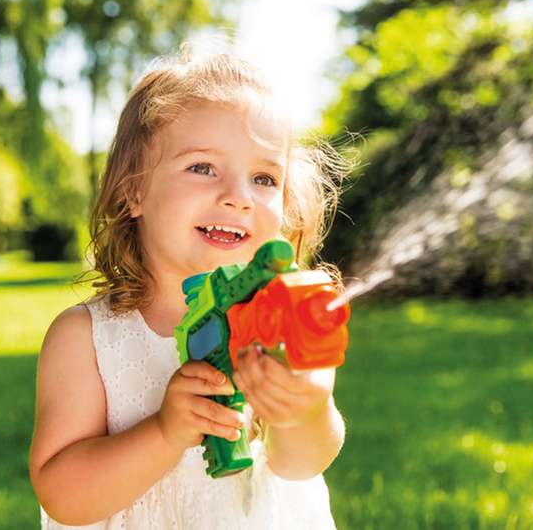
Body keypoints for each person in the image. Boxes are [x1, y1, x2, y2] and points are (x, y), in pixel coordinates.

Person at [28, 46, 350, 529]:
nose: (238, 197)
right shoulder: (85, 338)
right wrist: (164, 432)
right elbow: (63, 496)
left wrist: (304, 408)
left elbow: (302, 464)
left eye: (264, 178)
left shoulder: (278, 322)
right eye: (203, 167)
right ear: (134, 189)